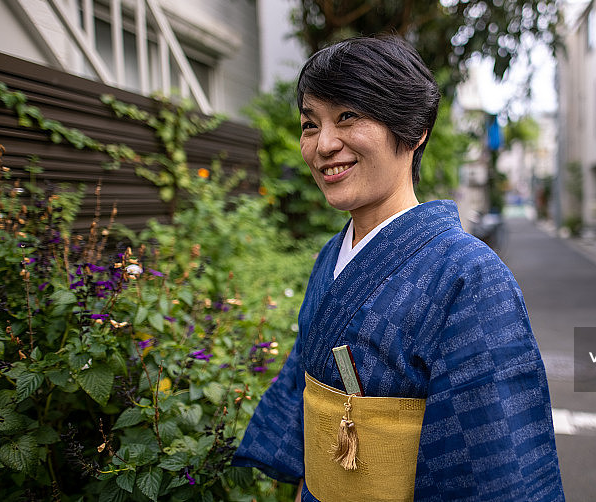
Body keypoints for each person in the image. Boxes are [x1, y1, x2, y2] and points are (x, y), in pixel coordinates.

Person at [233, 35, 565, 502]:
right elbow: (304, 385)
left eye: (347, 116)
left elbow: (492, 457)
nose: (324, 144)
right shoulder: (331, 256)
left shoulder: (469, 277)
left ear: (413, 130)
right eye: (311, 124)